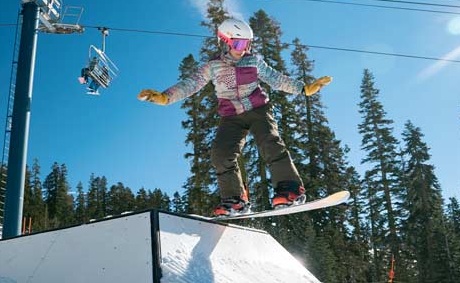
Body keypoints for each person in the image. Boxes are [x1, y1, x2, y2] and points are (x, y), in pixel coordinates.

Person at [138, 18, 332, 217]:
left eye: (247, 44)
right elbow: (190, 84)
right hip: (231, 116)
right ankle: (236, 200)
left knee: (269, 142)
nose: (243, 49)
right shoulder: (213, 66)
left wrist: (302, 88)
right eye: (239, 44)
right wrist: (165, 97)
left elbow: (276, 79)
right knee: (221, 154)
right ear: (226, 42)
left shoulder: (253, 61)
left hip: (258, 109)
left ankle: (290, 189)